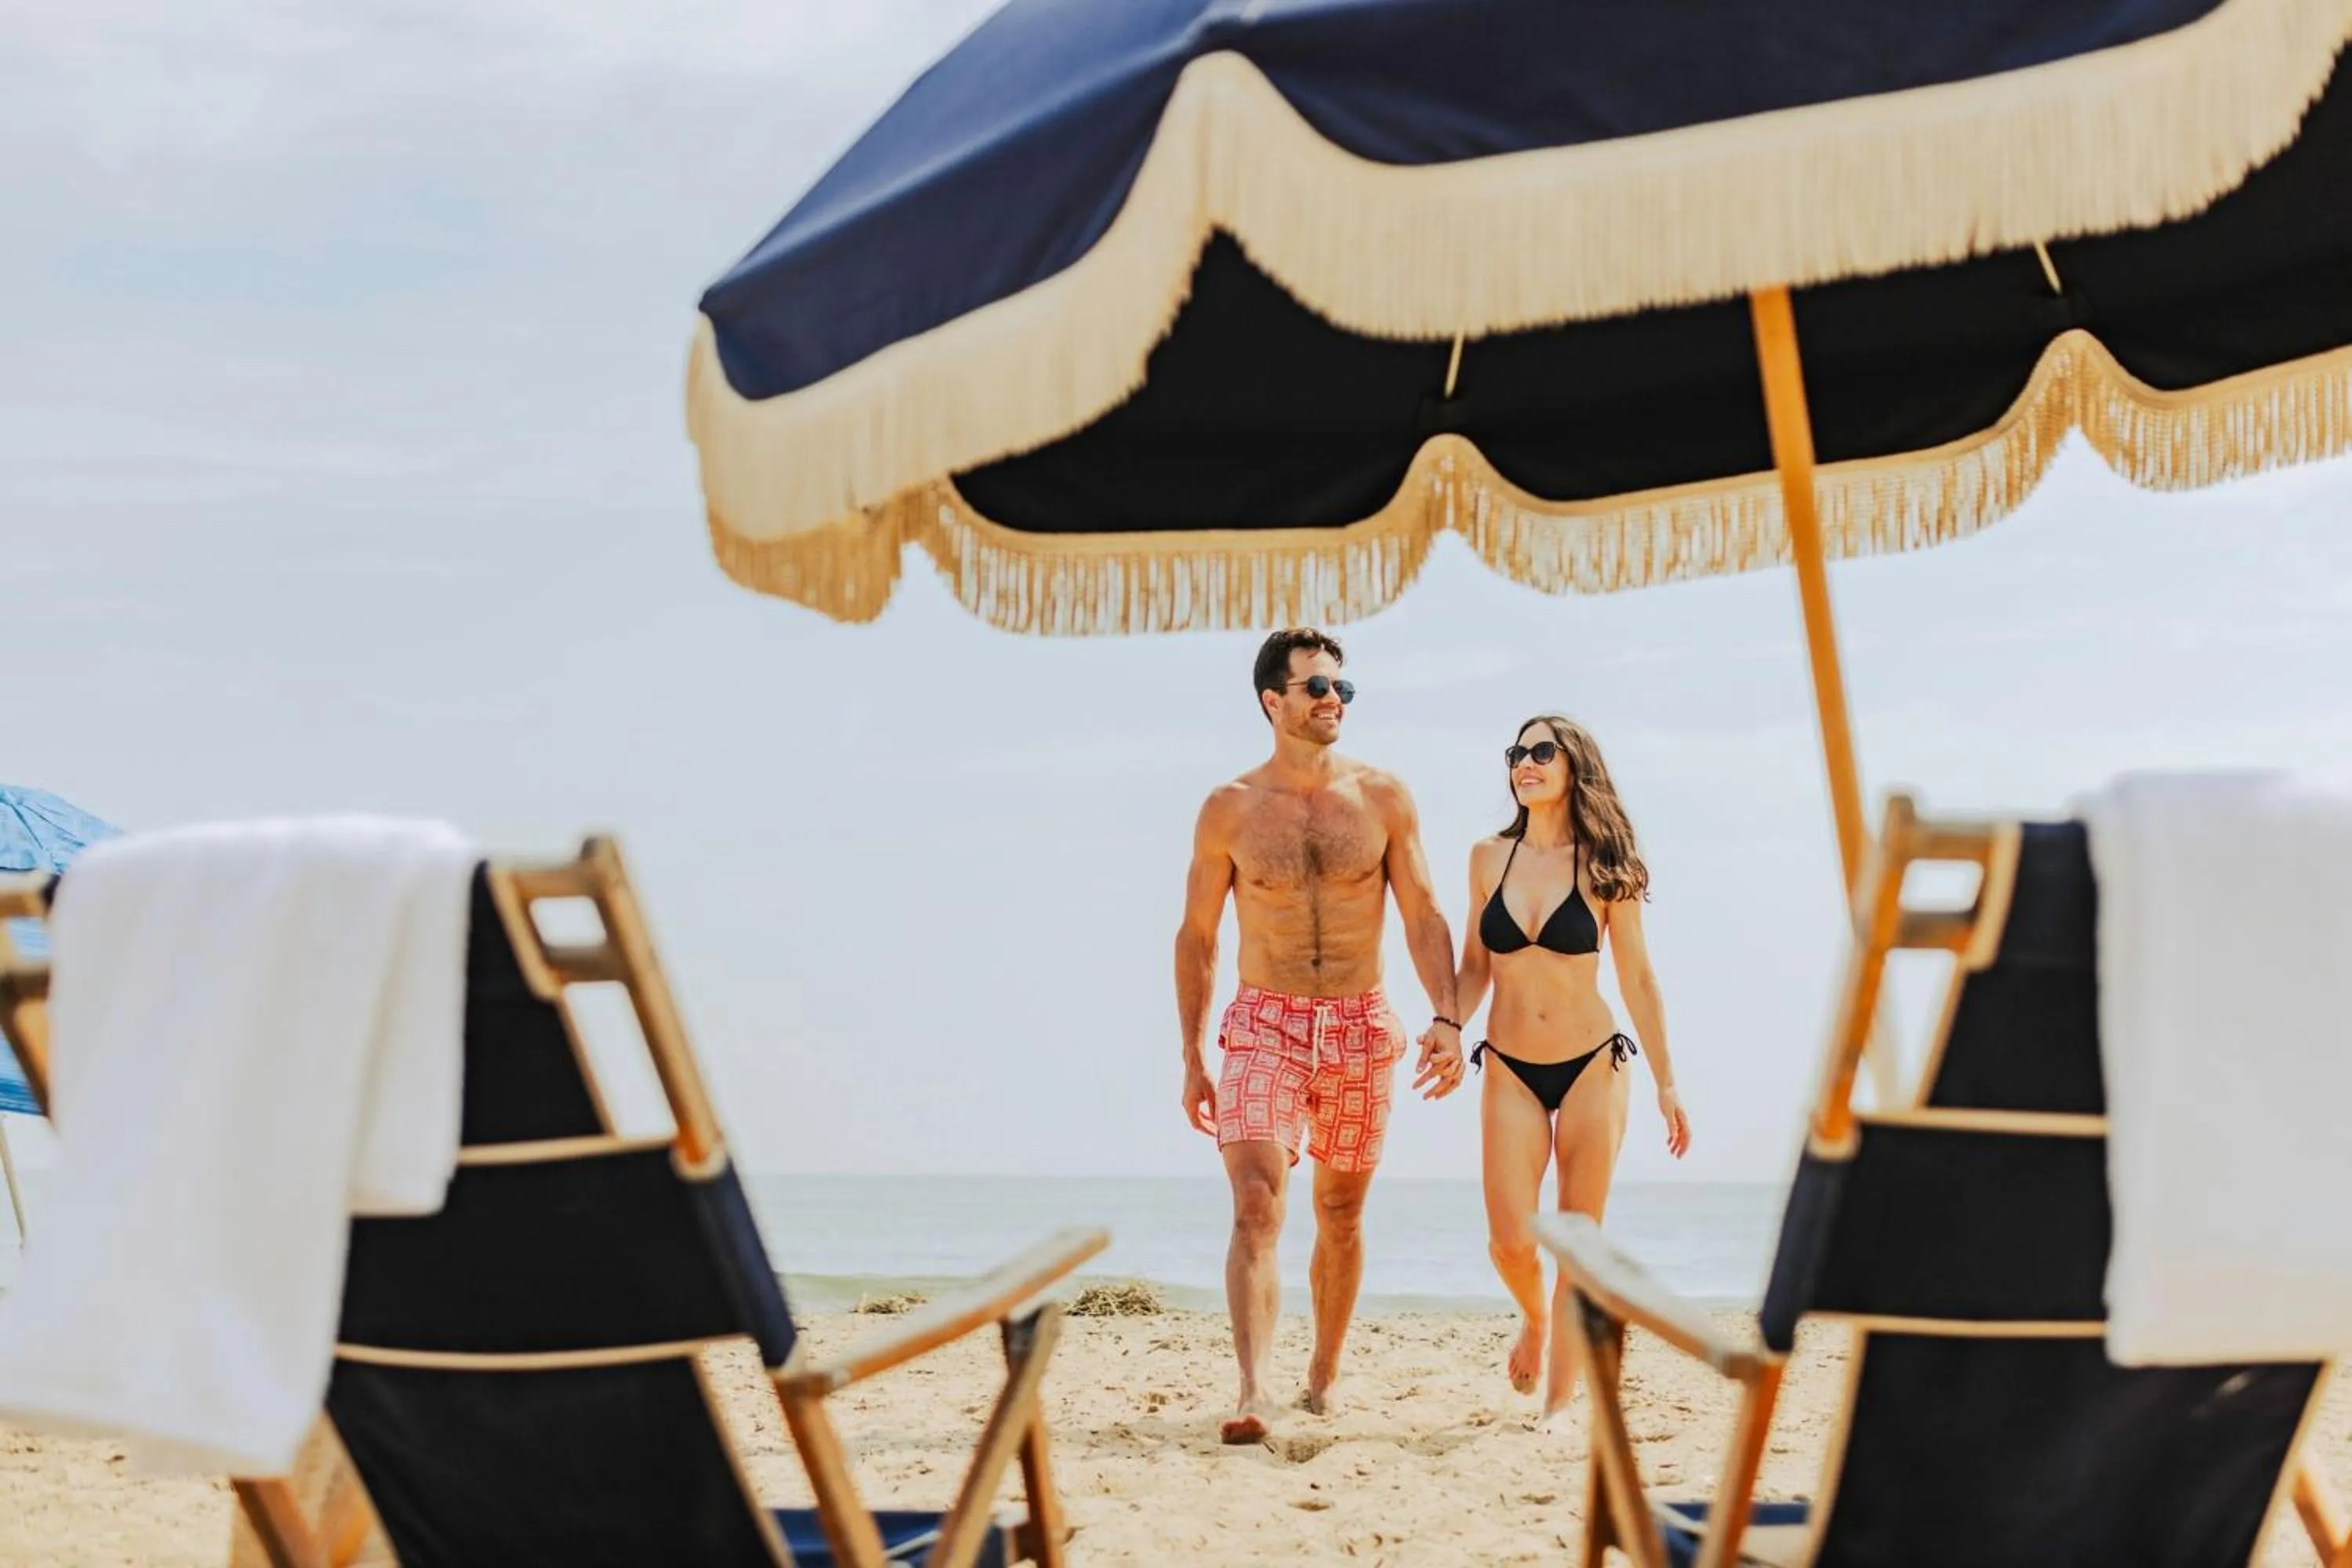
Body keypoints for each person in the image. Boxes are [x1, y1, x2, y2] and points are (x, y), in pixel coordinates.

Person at [1175, 628, 1466, 1444]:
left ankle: (1323, 1375)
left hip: (1358, 1021)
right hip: (1264, 1020)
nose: (1333, 700)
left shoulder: (1382, 797)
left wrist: (1446, 1015)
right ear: (1274, 701)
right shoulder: (1228, 807)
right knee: (1257, 1201)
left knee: (1340, 1208)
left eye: (1340, 688)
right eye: (1315, 688)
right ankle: (1253, 1385)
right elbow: (1197, 936)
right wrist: (1192, 1052)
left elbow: (1424, 913)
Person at [1451, 715, 1689, 1431]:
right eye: (1516, 753)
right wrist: (1443, 1025)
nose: (1524, 763)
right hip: (1509, 1064)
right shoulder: (1487, 858)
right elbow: (1473, 967)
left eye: (1540, 751)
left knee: (1577, 1237)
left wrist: (1668, 1082)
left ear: (1572, 765)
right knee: (1510, 1239)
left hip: (1592, 1063)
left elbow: (1638, 979)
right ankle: (1533, 1318)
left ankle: (1557, 1406)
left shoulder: (1606, 862)